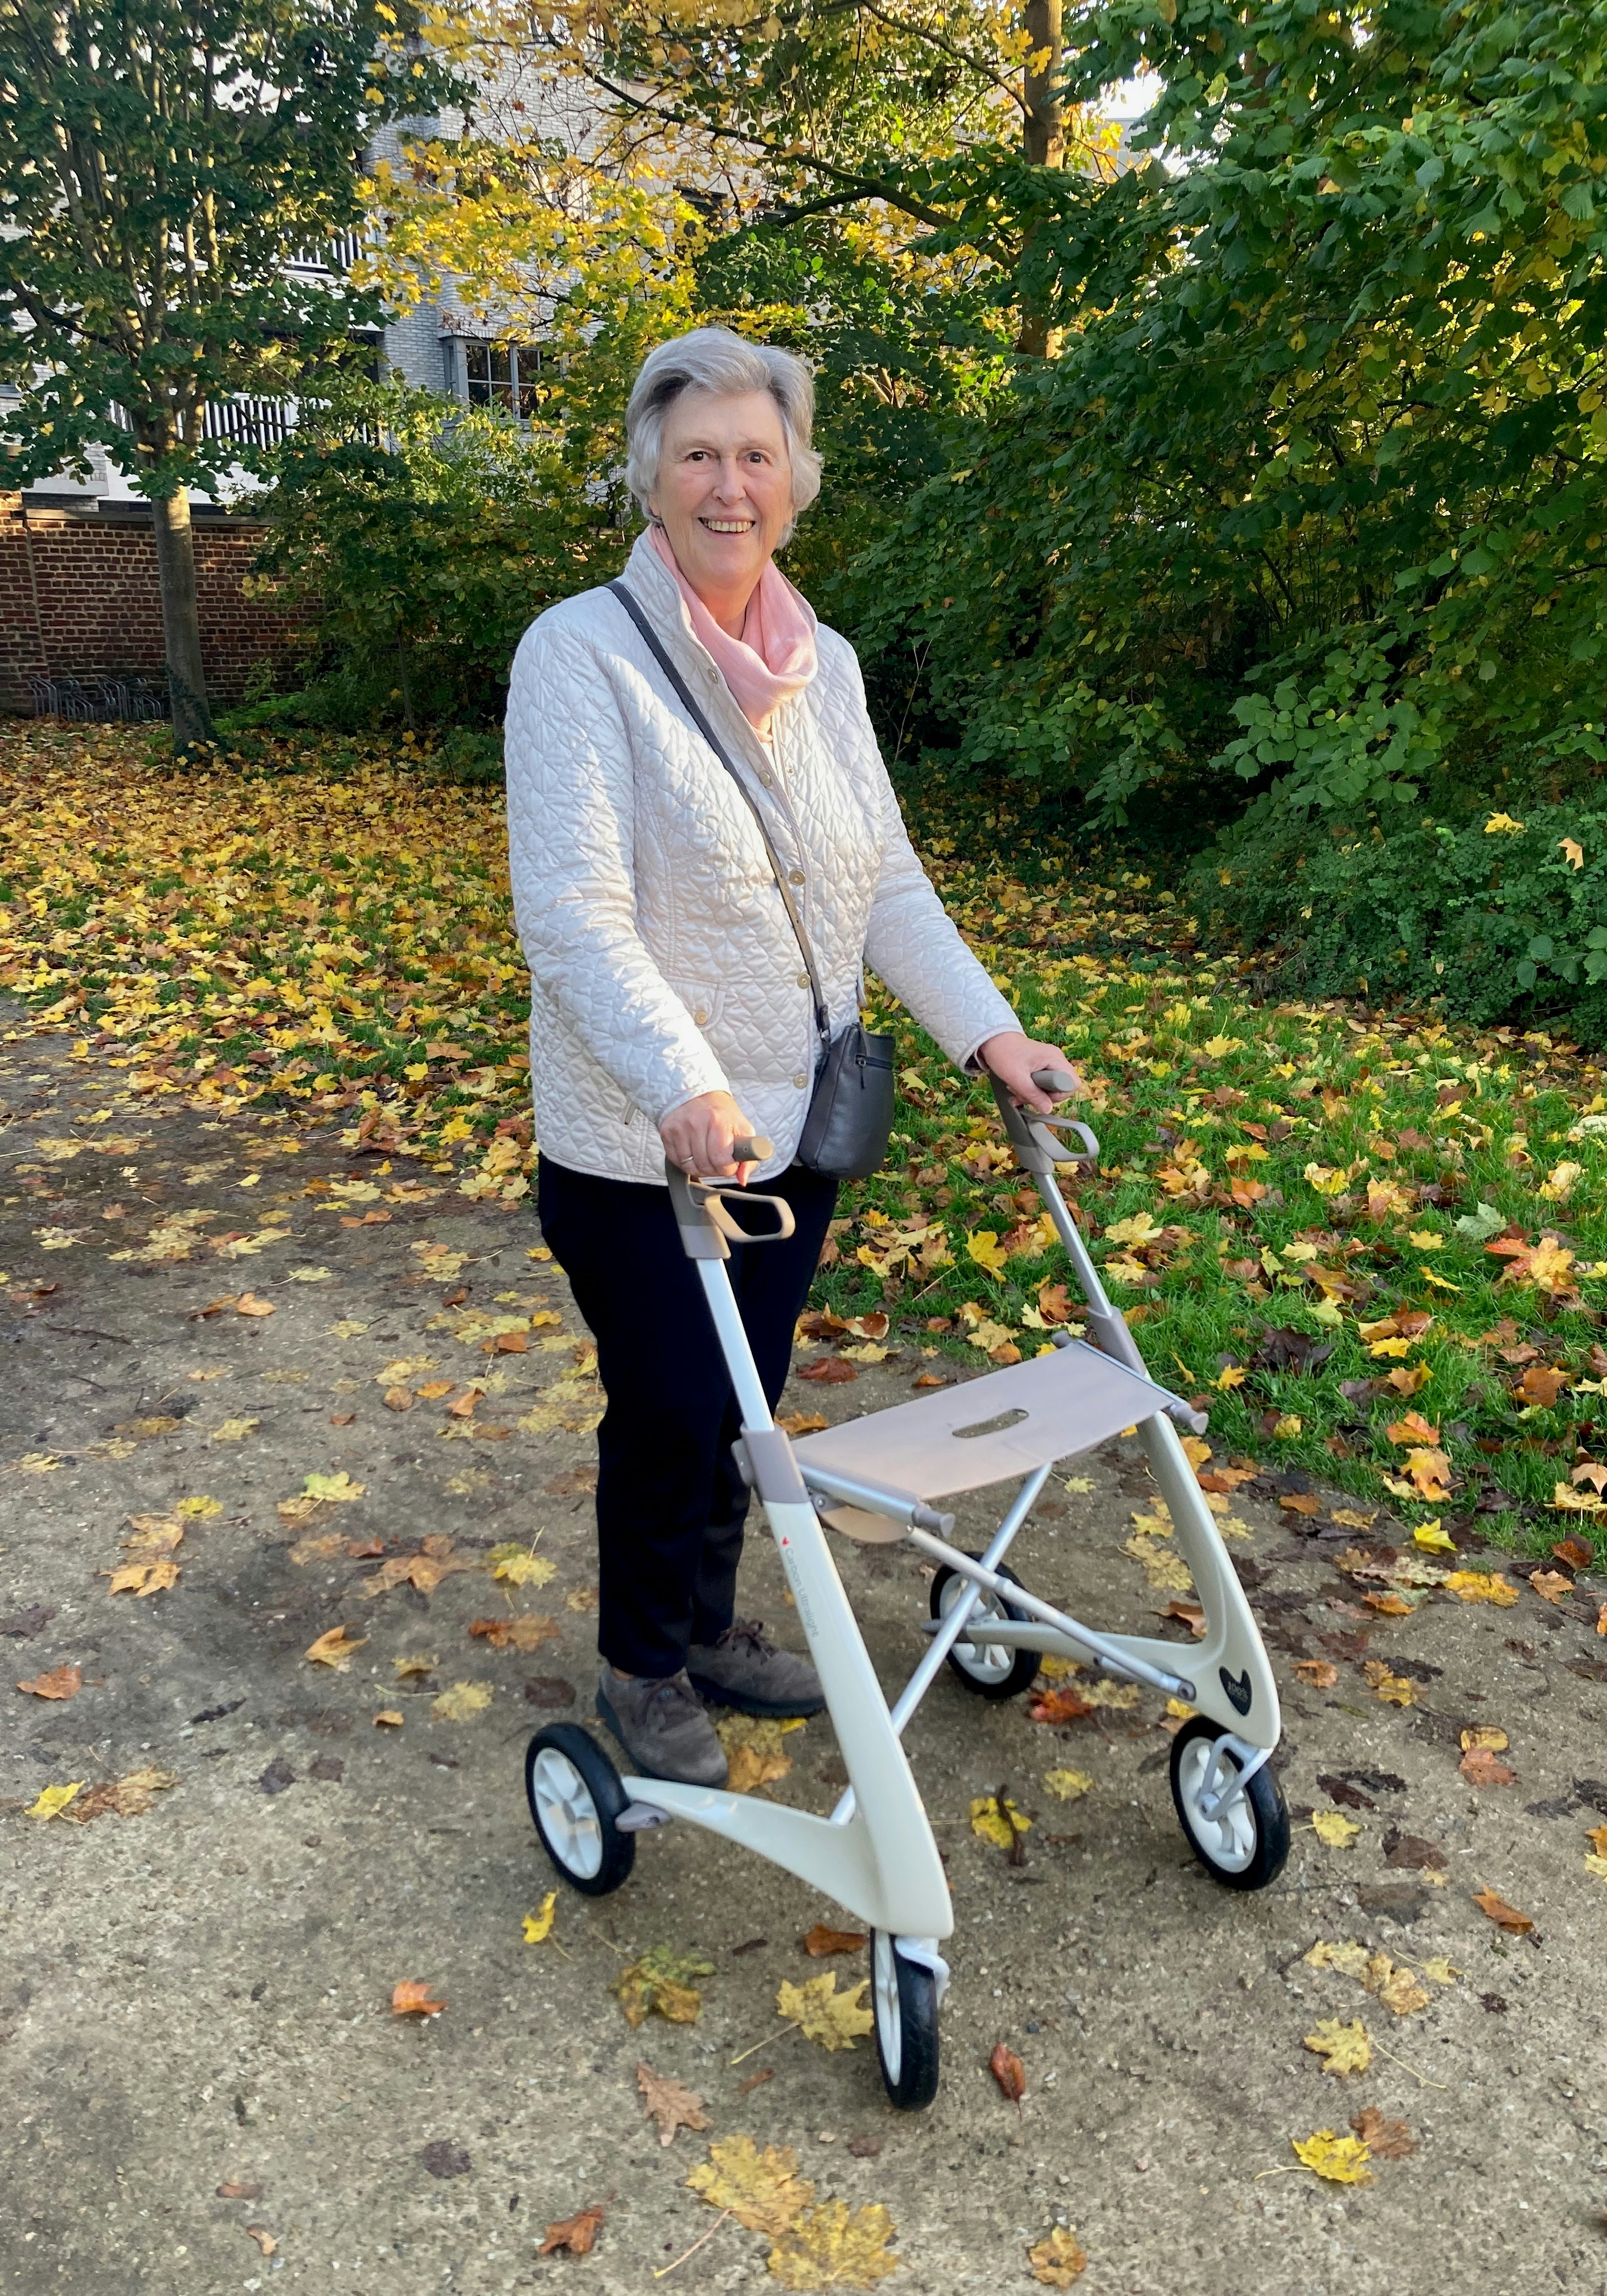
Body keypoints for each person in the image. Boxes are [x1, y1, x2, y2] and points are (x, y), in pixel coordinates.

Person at [505, 325, 1071, 1786]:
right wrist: (680, 1083)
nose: (728, 484)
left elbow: (882, 879)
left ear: (799, 479)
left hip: (791, 1133)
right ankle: (642, 1667)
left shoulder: (828, 670)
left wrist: (989, 1032)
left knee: (748, 1399)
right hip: (645, 1141)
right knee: (676, 1405)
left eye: (756, 454)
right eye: (697, 453)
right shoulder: (579, 657)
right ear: (648, 476)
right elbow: (572, 914)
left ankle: (705, 1627)